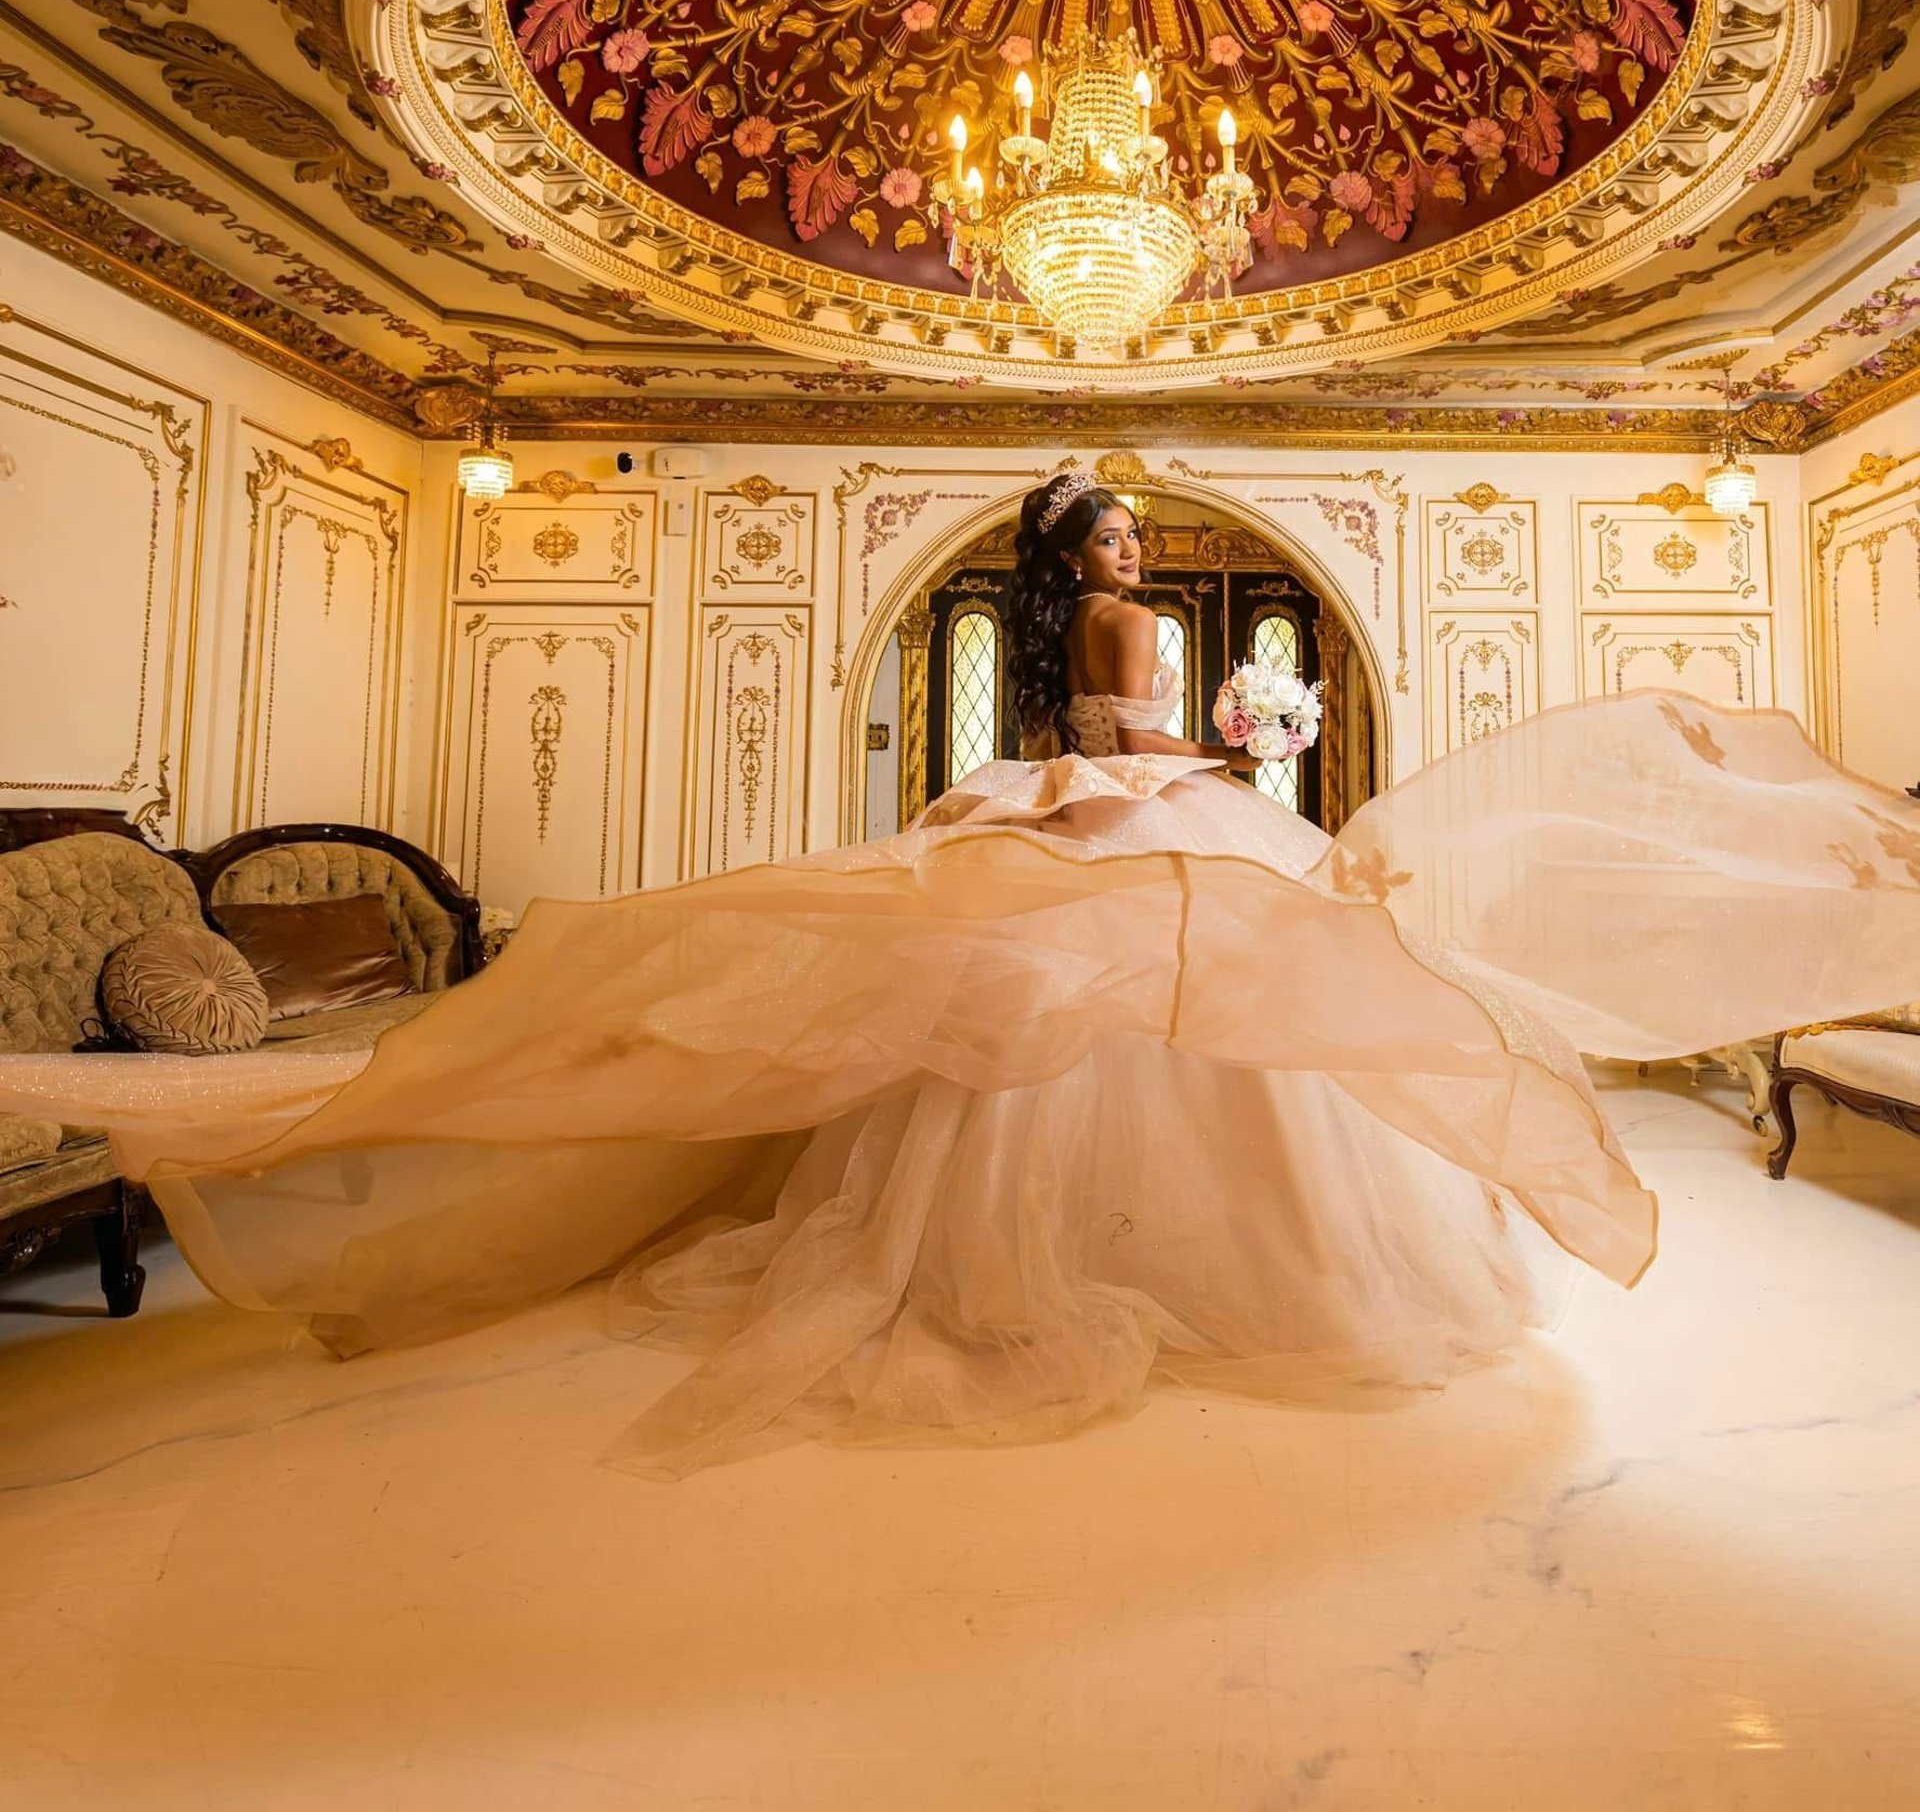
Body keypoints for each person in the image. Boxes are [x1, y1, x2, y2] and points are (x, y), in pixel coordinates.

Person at [5, 471, 1917, 1478]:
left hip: (1090, 809)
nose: (1139, 541)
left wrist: (1201, 758)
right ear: (1089, 553)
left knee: (1048, 1046)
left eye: (1133, 530)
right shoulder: (1136, 619)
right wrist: (1232, 762)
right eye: (1118, 527)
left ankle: (1013, 1250)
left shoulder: (1051, 625)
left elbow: (1090, 739)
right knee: (1200, 1043)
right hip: (1151, 813)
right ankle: (1203, 1268)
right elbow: (1140, 748)